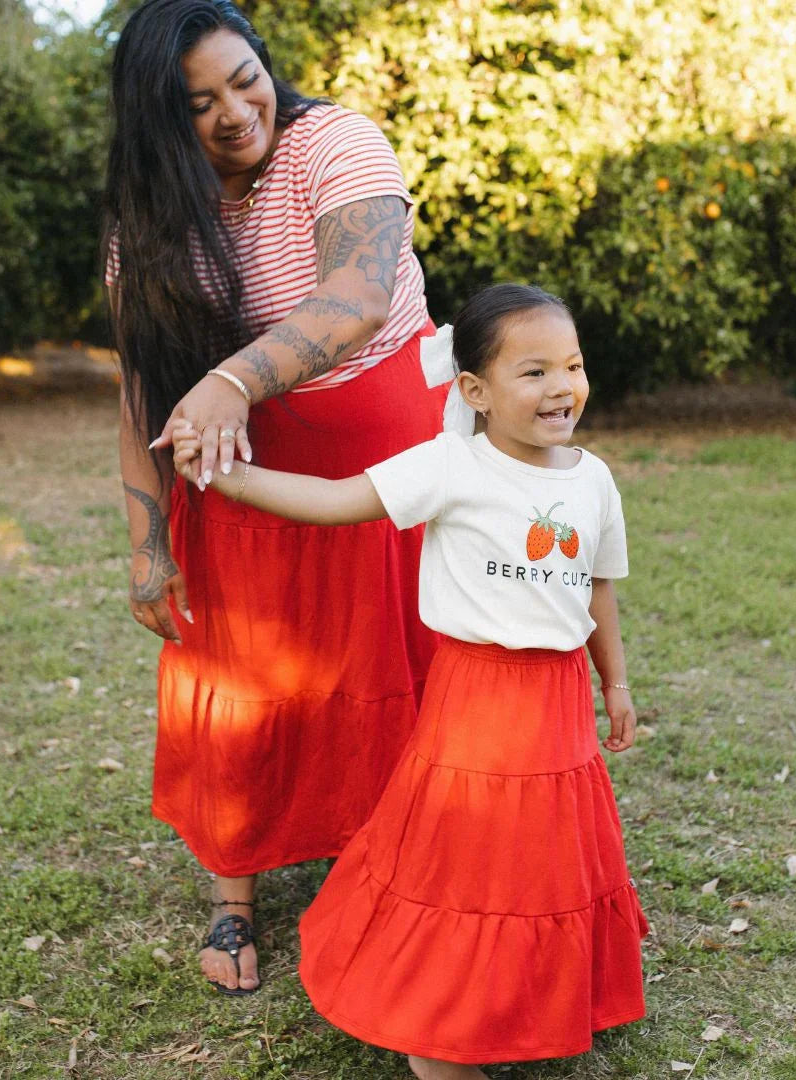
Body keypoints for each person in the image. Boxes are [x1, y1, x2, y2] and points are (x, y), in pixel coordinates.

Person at [173, 284, 650, 1077]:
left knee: (539, 857)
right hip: (475, 696)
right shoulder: (451, 465)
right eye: (532, 372)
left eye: (572, 365)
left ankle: (535, 992)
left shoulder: (592, 479)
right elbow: (333, 501)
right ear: (475, 391)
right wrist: (225, 477)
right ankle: (441, 1021)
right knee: (465, 857)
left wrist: (617, 686)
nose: (561, 386)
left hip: (558, 700)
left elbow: (598, 589)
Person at [103, 0, 446, 996]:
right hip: (234, 472)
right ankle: (234, 898)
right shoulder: (150, 218)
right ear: (160, 121)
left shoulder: (334, 141)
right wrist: (142, 543)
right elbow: (142, 385)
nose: (234, 113)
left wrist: (232, 379)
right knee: (240, 683)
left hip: (384, 466)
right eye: (198, 102)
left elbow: (358, 293)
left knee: (395, 668)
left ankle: (389, 864)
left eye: (244, 79)